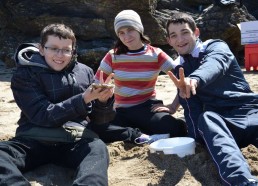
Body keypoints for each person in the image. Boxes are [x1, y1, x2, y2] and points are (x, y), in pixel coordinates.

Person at [0, 23, 110, 185]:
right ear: (42, 49)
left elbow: (98, 120)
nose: (60, 55)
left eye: (66, 50)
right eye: (53, 48)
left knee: (98, 149)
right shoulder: (25, 73)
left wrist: (103, 102)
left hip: (76, 140)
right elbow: (43, 115)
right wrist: (83, 99)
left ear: (73, 51)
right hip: (34, 139)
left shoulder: (85, 71)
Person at [165, 12, 258, 185]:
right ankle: (243, 182)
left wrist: (196, 79)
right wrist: (195, 140)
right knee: (206, 119)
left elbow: (215, 63)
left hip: (251, 111)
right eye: (174, 35)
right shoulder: (180, 70)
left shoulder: (216, 47)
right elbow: (192, 110)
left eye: (185, 32)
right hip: (223, 124)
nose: (180, 39)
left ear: (196, 33)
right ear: (169, 41)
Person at [94, 9, 187, 144]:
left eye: (130, 30)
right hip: (119, 110)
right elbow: (96, 83)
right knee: (96, 128)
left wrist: (173, 106)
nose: (126, 36)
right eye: (121, 33)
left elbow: (182, 81)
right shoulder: (112, 56)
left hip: (147, 108)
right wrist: (102, 94)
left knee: (174, 129)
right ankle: (141, 136)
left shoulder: (156, 54)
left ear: (139, 29)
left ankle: (137, 133)